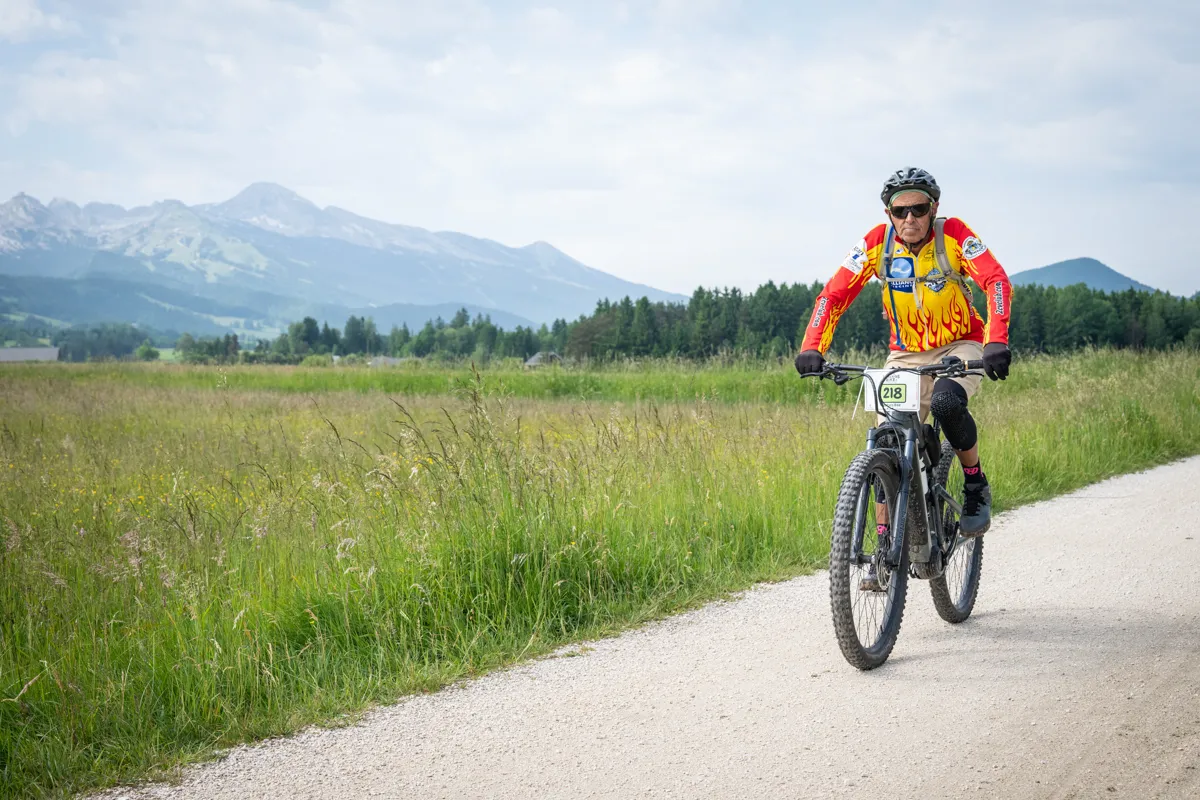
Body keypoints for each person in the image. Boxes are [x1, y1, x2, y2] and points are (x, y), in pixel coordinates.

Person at [794, 167, 1012, 587]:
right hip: (905, 355)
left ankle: (974, 484)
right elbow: (834, 294)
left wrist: (996, 340)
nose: (909, 218)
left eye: (919, 209)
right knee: (888, 442)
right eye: (900, 211)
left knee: (947, 402)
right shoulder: (878, 244)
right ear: (888, 213)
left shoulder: (953, 235)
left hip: (960, 345)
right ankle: (883, 551)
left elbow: (995, 281)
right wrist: (812, 346)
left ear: (934, 208)